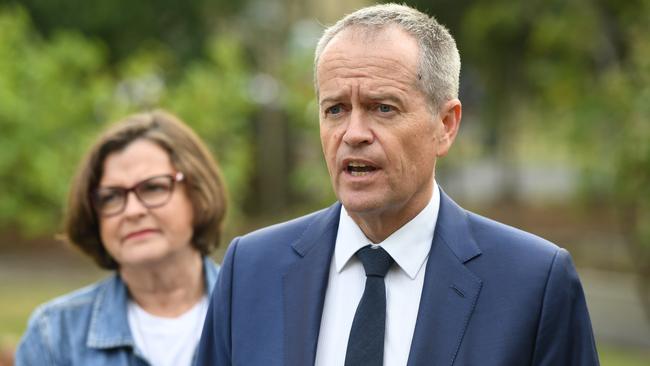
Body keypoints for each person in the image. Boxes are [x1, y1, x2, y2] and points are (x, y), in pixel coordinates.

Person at [196, 3, 599, 366]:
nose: (353, 133)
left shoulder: (533, 283)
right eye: (335, 109)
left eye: (382, 108)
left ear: (445, 125)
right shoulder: (251, 269)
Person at [15, 110, 227, 366]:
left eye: (153, 187)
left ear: (197, 194)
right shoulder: (54, 335)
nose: (132, 211)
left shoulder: (256, 315)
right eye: (111, 196)